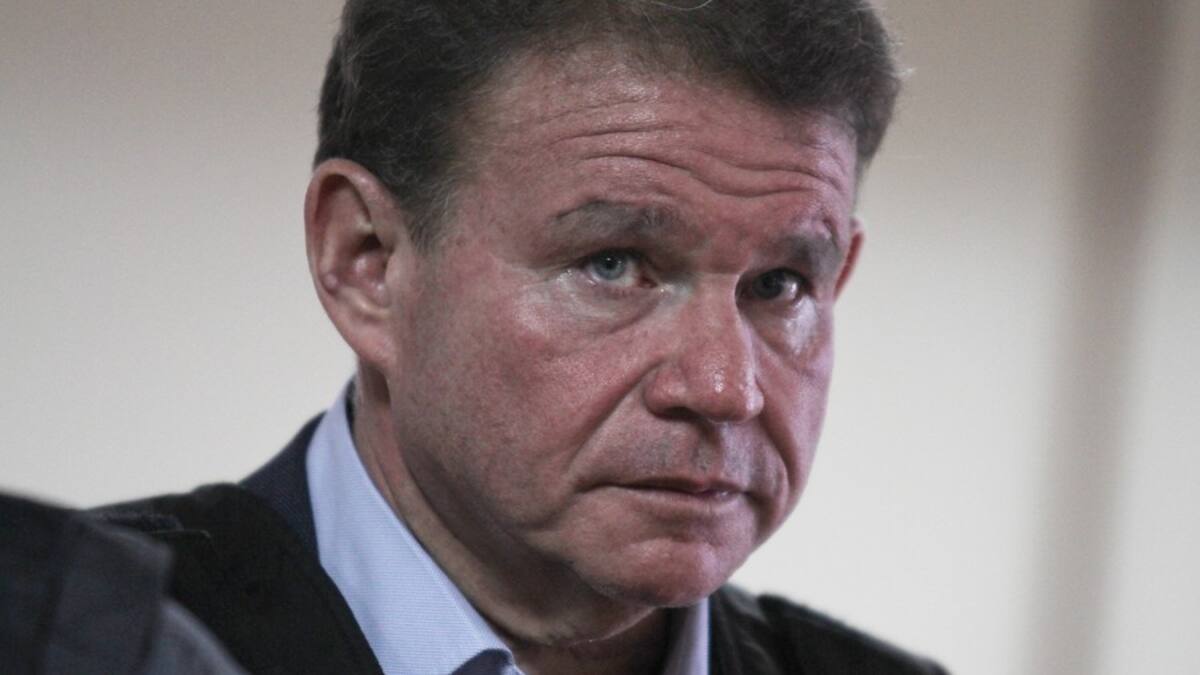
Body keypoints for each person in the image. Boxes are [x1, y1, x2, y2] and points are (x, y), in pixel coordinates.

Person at [99, 1, 947, 673]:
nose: (725, 388)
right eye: (614, 263)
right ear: (367, 262)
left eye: (780, 284)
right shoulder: (70, 635)